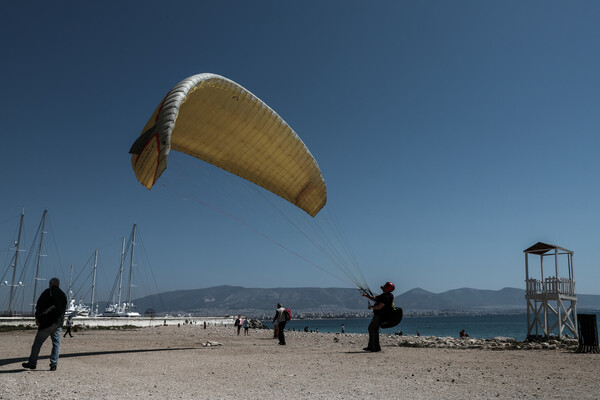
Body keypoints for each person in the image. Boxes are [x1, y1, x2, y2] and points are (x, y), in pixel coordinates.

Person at [22, 277, 68, 371]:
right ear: (58, 284)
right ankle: (54, 364)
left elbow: (40, 305)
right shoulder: (63, 294)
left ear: (51, 284)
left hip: (47, 323)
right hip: (58, 323)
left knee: (37, 343)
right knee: (56, 343)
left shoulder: (48, 292)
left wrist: (38, 318)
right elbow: (63, 310)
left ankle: (32, 363)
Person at [361, 281, 395, 352]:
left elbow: (379, 306)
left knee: (371, 328)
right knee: (375, 330)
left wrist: (371, 306)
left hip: (380, 316)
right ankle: (376, 347)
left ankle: (372, 347)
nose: (383, 287)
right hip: (380, 316)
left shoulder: (386, 296)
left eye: (385, 286)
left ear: (387, 288)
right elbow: (375, 298)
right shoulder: (385, 295)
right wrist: (367, 296)